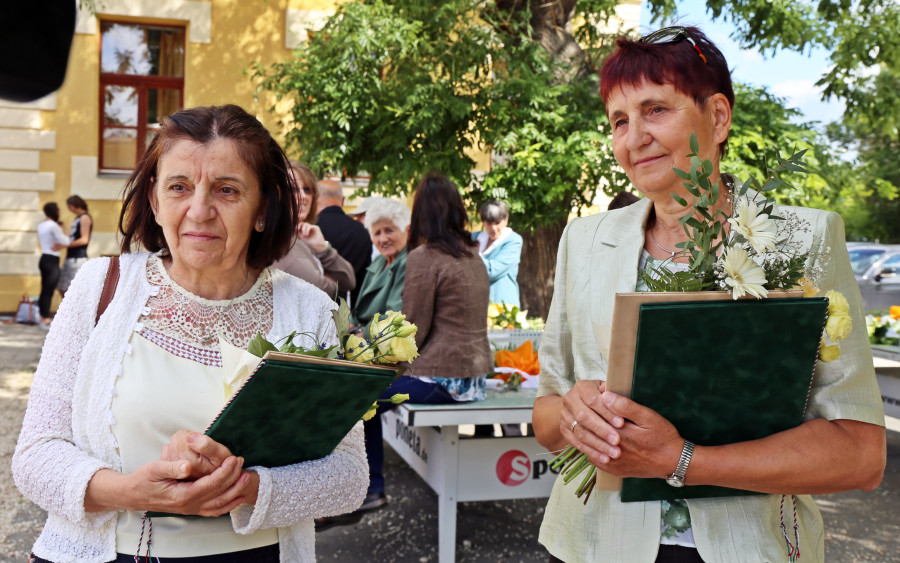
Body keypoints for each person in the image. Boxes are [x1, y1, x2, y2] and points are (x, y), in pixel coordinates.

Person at [532, 27, 886, 562]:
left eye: (655, 110)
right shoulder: (583, 241)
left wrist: (680, 460)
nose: (634, 138)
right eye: (619, 121)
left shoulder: (800, 240)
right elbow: (544, 417)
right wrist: (574, 414)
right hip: (590, 546)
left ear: (718, 117)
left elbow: (860, 454)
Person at [13, 105, 368, 562]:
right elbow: (35, 456)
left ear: (262, 208)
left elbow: (349, 477)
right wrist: (131, 492)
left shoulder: (308, 310)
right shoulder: (99, 289)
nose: (199, 211)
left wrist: (244, 487)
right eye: (179, 187)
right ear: (155, 201)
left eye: (227, 190)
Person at [359, 172, 493, 524]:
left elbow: (411, 331)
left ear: (419, 215)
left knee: (361, 399)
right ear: (457, 211)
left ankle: (372, 489)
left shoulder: (424, 256)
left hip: (441, 379)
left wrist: (374, 360)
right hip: (474, 380)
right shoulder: (472, 255)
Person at [274, 162, 356, 301]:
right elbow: (323, 291)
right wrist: (328, 279)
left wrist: (323, 249)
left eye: (307, 190)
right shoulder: (277, 241)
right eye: (293, 189)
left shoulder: (300, 238)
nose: (303, 196)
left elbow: (348, 280)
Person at [350, 199, 410, 327]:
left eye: (389, 231)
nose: (383, 239)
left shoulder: (408, 262)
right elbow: (359, 309)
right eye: (377, 233)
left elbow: (396, 316)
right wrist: (350, 323)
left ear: (408, 231)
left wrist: (364, 333)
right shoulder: (379, 261)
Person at [316, 179, 373, 306]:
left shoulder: (308, 229)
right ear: (343, 200)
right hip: (341, 308)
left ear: (315, 198)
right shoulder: (361, 231)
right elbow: (362, 279)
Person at [473, 199, 523, 308]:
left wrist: (473, 254)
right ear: (483, 222)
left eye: (497, 223)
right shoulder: (474, 237)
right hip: (476, 304)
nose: (493, 228)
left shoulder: (513, 241)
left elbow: (492, 271)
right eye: (489, 223)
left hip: (503, 306)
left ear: (506, 220)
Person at [36, 202, 69, 327]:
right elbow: (66, 241)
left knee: (44, 289)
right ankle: (45, 319)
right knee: (48, 291)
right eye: (58, 209)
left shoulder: (41, 225)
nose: (59, 212)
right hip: (52, 261)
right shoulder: (53, 226)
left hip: (44, 258)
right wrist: (65, 228)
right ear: (54, 211)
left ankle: (42, 317)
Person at [57, 194, 92, 298]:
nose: (69, 209)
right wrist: (64, 227)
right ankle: (69, 307)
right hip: (71, 258)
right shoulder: (77, 218)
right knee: (62, 287)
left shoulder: (85, 217)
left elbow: (84, 239)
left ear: (75, 204)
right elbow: (71, 238)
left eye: (69, 206)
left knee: (74, 289)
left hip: (78, 259)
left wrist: (65, 245)